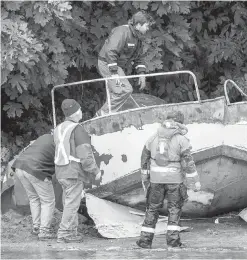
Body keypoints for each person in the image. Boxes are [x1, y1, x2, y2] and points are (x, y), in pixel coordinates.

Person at [136, 111, 201, 249]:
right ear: (179, 124)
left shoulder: (153, 138)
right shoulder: (181, 140)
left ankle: (144, 242)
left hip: (155, 180)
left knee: (152, 209)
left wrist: (145, 178)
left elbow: (144, 159)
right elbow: (188, 163)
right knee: (174, 209)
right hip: (174, 180)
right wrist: (194, 182)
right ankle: (173, 243)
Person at [54, 99, 101, 243]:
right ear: (74, 113)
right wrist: (95, 171)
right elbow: (85, 154)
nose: (81, 112)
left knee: (69, 202)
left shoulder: (59, 129)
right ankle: (64, 233)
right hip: (73, 172)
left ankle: (72, 232)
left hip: (61, 171)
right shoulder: (77, 129)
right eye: (79, 109)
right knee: (72, 204)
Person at [96, 11, 153, 116]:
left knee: (121, 90)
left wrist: (142, 74)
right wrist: (114, 73)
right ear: (138, 25)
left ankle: (109, 114)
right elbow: (110, 51)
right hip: (107, 64)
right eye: (147, 26)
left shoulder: (138, 36)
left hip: (116, 66)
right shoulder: (122, 32)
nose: (148, 28)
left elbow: (139, 57)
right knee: (123, 90)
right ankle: (102, 115)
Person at [11, 133, 56, 240]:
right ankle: (44, 231)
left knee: (34, 198)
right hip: (35, 169)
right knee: (48, 200)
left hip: (20, 166)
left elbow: (28, 148)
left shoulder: (44, 137)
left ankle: (36, 227)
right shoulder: (60, 142)